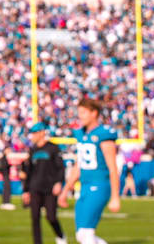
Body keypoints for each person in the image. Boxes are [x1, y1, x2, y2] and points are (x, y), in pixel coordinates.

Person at [58, 98, 120, 244]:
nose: (80, 116)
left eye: (83, 112)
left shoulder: (103, 134)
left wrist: (115, 196)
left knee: (86, 234)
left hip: (99, 185)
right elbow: (78, 166)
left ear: (94, 113)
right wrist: (65, 190)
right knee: (82, 235)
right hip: (85, 186)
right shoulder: (81, 134)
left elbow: (113, 167)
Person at [20, 123, 67, 244]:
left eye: (35, 133)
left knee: (51, 217)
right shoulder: (33, 150)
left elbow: (61, 168)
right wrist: (25, 191)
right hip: (35, 188)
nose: (33, 136)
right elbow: (28, 172)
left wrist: (58, 183)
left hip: (50, 188)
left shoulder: (53, 148)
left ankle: (60, 236)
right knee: (35, 218)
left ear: (42, 133)